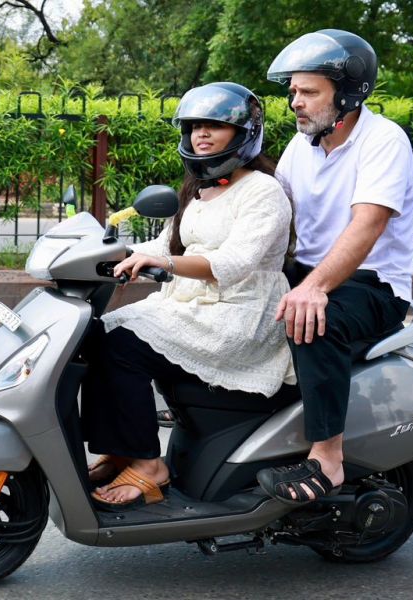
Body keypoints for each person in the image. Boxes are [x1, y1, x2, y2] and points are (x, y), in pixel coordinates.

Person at [82, 82, 294, 508]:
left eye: (215, 126)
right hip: (193, 305)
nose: (202, 134)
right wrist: (116, 255)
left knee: (124, 346)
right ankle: (124, 449)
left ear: (243, 134)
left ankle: (149, 466)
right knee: (97, 332)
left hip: (239, 314)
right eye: (196, 126)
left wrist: (166, 266)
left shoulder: (262, 191)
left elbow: (234, 263)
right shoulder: (201, 189)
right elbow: (167, 246)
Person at [255, 29, 413, 504]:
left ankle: (328, 458)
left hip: (374, 284)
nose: (295, 103)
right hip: (309, 270)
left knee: (314, 321)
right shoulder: (299, 147)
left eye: (308, 93)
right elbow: (273, 211)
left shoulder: (383, 140)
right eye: (293, 93)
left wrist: (314, 286)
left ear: (346, 94)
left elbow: (367, 225)